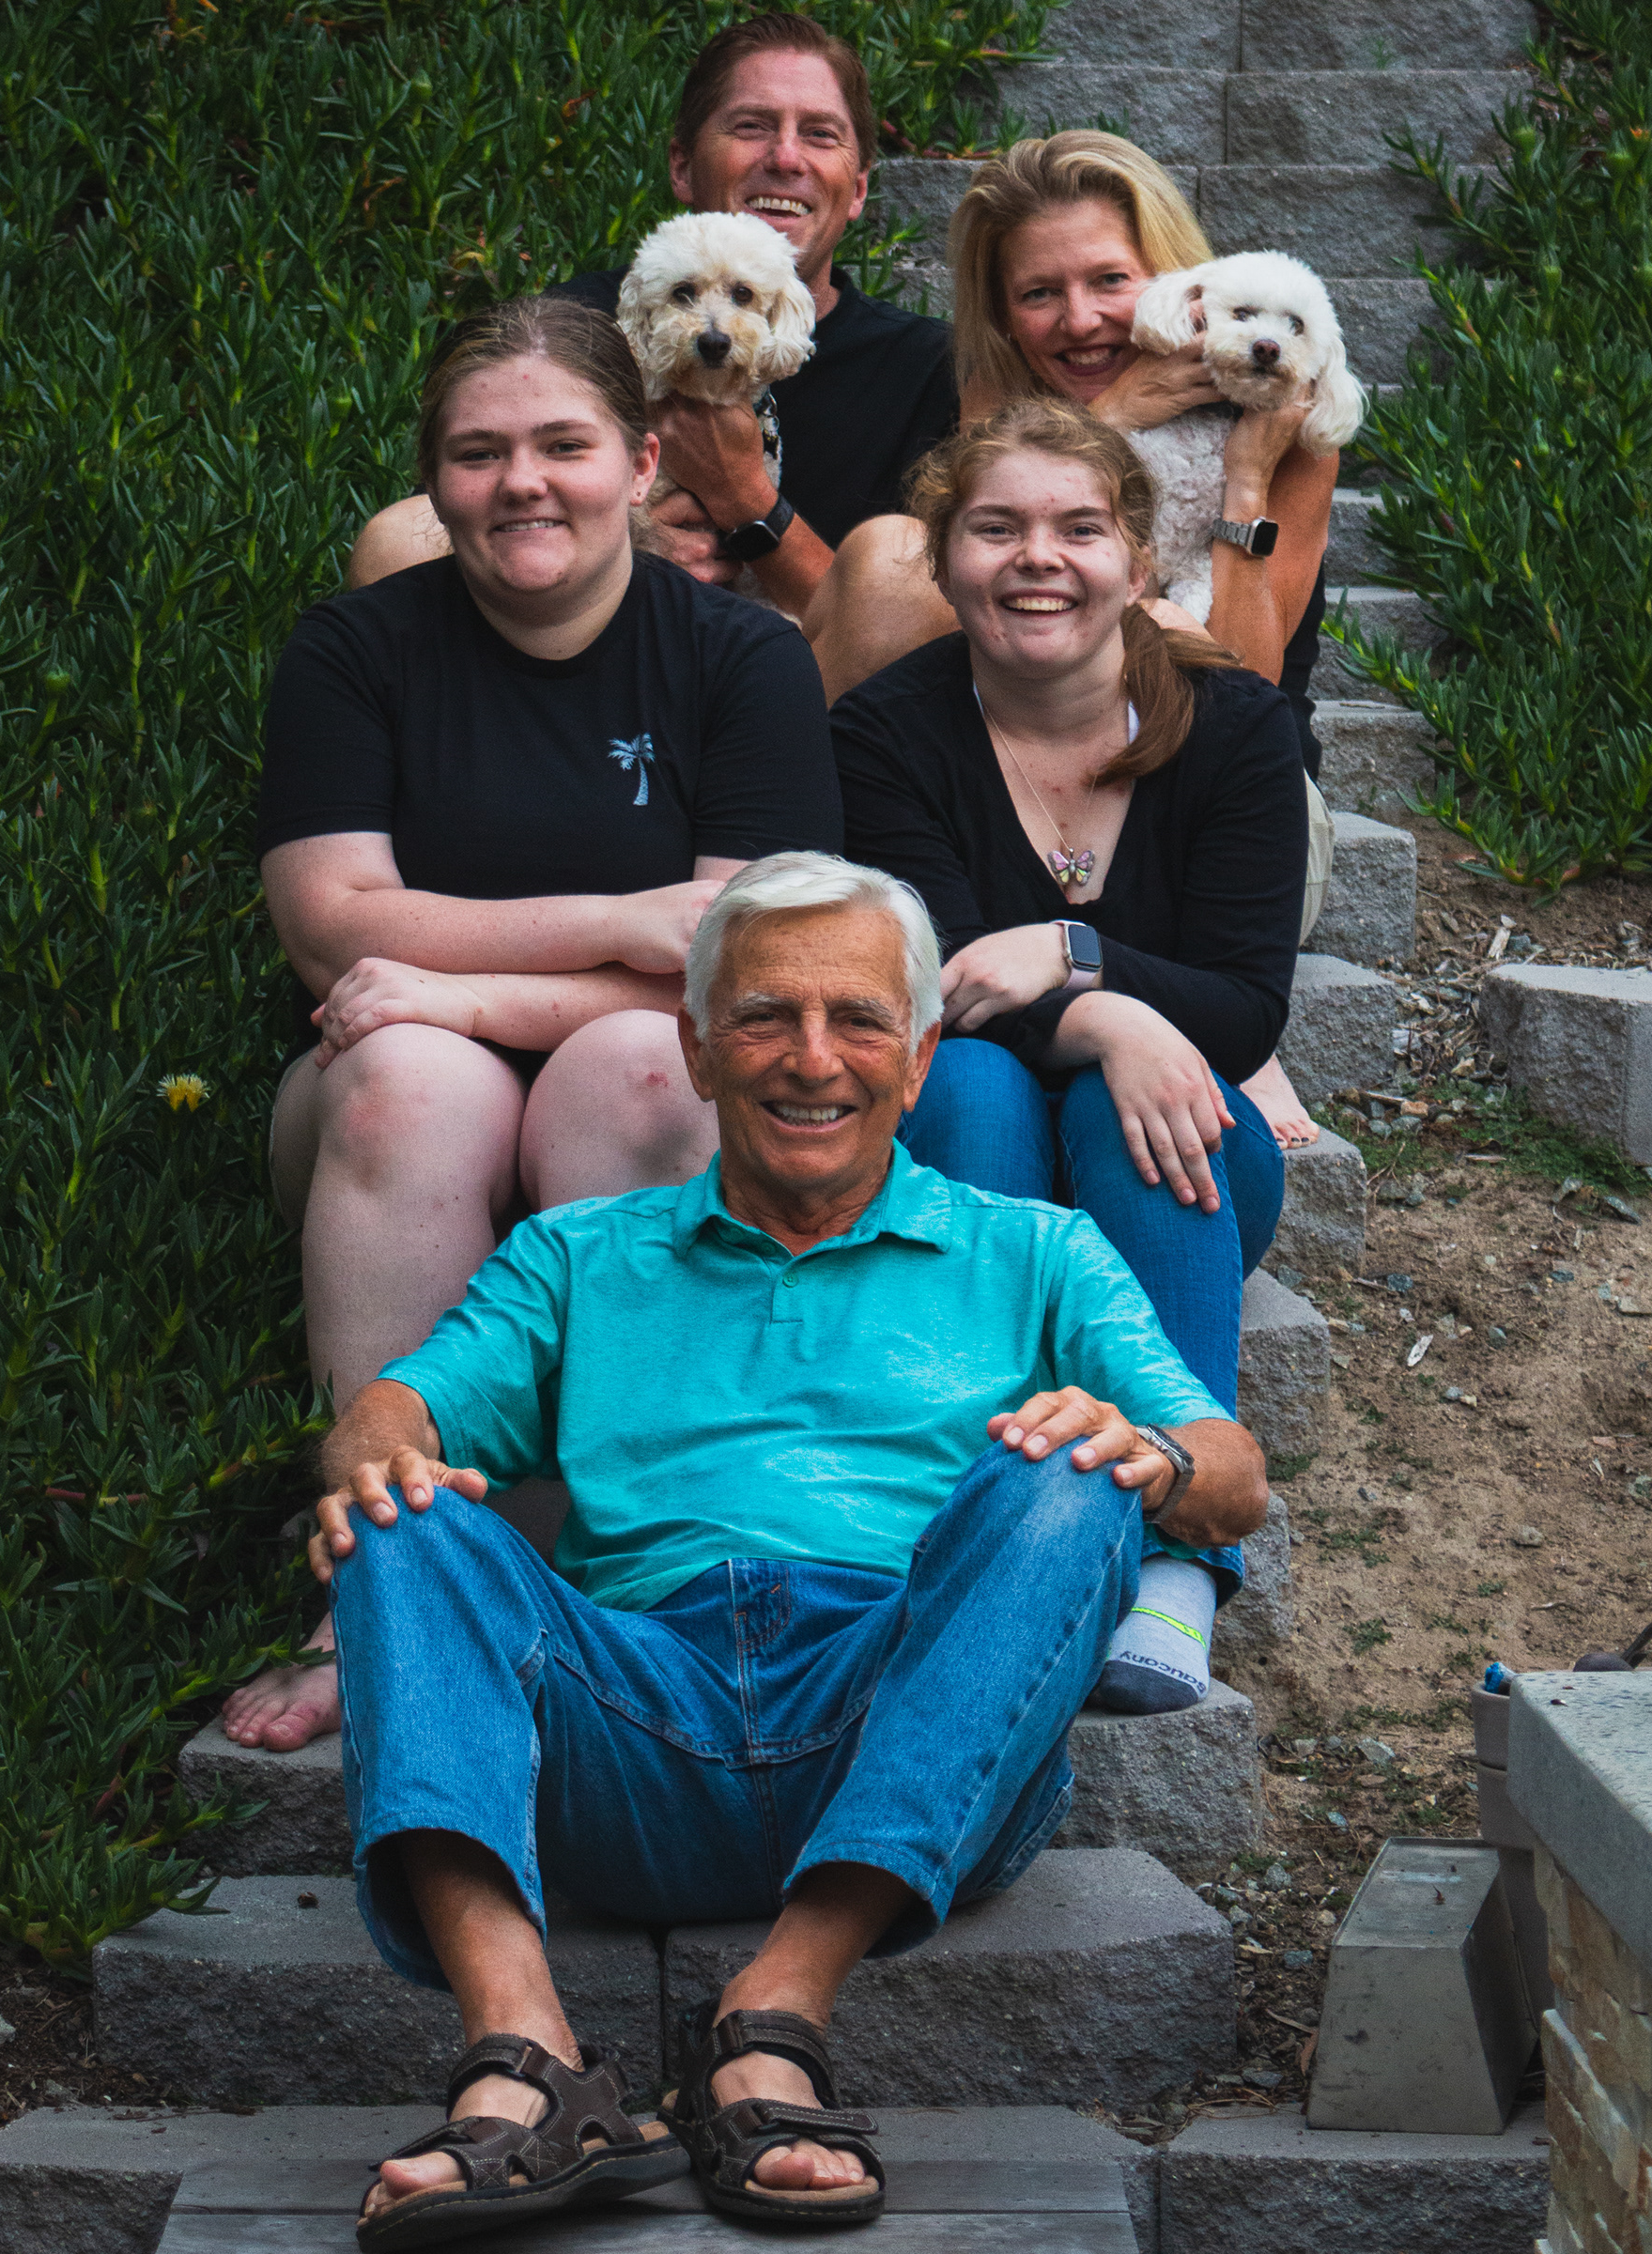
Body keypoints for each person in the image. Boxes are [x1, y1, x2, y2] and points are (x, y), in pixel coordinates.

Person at [318, 852, 1267, 2246]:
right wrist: (379, 1451)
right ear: (698, 1050)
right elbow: (399, 1409)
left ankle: (776, 2012)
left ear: (922, 1056)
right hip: (631, 1727)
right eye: (765, 1016)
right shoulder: (578, 1255)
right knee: (402, 1514)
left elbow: (1231, 1476)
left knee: (1073, 1471)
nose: (812, 1059)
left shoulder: (1039, 1250)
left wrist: (1152, 1456)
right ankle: (524, 2060)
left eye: (858, 1020)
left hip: (901, 1712)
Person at [221, 297, 841, 1756]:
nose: (523, 484)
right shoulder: (357, 650)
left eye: (564, 444)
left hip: (628, 1072)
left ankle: (614, 1576)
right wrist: (619, 921)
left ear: (641, 463)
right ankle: (379, 1596)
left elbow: (744, 968)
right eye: (479, 452)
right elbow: (332, 921)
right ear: (434, 482)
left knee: (640, 1068)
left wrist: (467, 988)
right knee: (413, 1083)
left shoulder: (743, 662)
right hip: (366, 1089)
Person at [832, 399, 1304, 1717]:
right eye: (997, 528)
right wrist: (1113, 1011)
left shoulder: (1238, 729)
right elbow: (929, 988)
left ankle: (1179, 1558)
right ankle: (982, 1521)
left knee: (1117, 1102)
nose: (1038, 557)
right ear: (944, 563)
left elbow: (1244, 1012)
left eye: (1079, 529)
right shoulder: (881, 737)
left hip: (1176, 1167)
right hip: (966, 1142)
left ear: (1138, 562)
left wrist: (1070, 955)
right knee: (972, 1080)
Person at [809, 130, 1338, 1148]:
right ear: (1004, 312)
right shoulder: (998, 397)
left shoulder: (1283, 401)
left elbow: (1247, 679)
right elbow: (971, 590)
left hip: (1219, 810)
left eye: (1110, 281)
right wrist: (1117, 420)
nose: (1081, 319)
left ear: (1175, 282)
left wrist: (1243, 480)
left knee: (1179, 640)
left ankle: (1222, 1011)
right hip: (1017, 787)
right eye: (1039, 293)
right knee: (889, 561)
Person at [347, 14, 956, 618]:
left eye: (821, 134)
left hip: (812, 668)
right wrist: (619, 547)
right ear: (681, 166)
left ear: (858, 189)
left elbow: (927, 623)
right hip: (581, 645)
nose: (786, 157)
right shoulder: (560, 330)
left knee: (901, 578)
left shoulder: (926, 366)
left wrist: (746, 499)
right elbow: (467, 506)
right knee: (400, 539)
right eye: (751, 126)